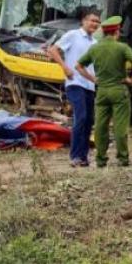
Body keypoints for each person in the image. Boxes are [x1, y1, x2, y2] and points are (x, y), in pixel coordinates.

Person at [76, 16, 132, 168]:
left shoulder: (94, 48)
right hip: (119, 90)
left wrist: (93, 79)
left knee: (100, 126)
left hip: (102, 92)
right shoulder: (122, 47)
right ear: (116, 32)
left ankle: (100, 159)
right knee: (120, 127)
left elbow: (78, 66)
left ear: (104, 33)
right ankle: (123, 158)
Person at [48, 10, 100, 167]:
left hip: (89, 85)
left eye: (97, 22)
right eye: (92, 20)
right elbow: (53, 50)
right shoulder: (73, 35)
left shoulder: (95, 43)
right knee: (81, 116)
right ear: (83, 21)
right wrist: (65, 68)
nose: (95, 24)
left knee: (89, 120)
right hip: (74, 82)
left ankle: (83, 157)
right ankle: (75, 155)